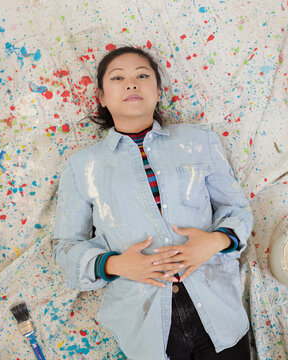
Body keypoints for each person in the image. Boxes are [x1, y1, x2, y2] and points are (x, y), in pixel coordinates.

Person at [52, 46, 254, 360]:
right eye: (118, 78)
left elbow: (238, 210)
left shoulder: (199, 141)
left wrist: (214, 241)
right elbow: (65, 246)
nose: (131, 83)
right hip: (145, 327)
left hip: (218, 309)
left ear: (158, 91)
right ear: (102, 97)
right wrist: (114, 264)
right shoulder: (81, 166)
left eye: (142, 76)